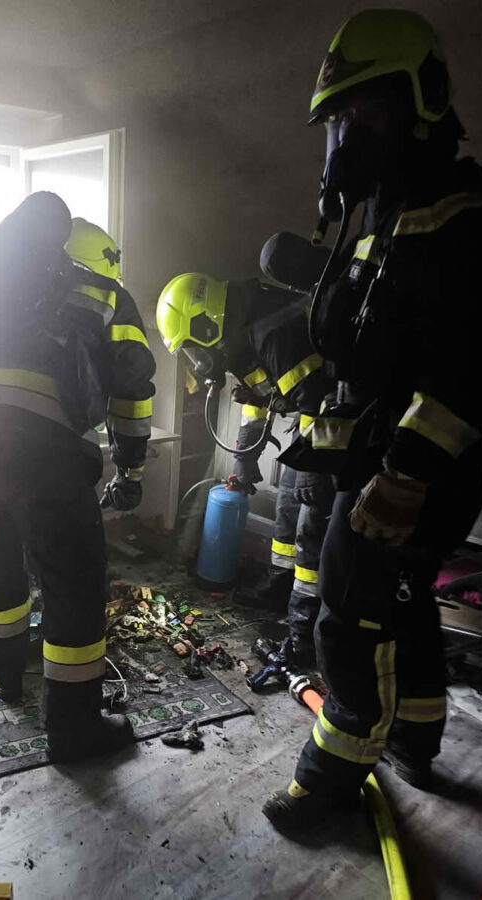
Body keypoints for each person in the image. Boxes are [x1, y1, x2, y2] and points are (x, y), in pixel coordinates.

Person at [262, 9, 482, 830]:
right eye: (337, 120)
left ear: (423, 102)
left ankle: (331, 781)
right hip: (377, 466)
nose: (346, 136)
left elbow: (477, 366)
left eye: (364, 114)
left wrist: (405, 476)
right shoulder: (383, 221)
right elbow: (368, 358)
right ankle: (419, 737)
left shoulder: (460, 215)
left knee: (349, 619)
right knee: (403, 607)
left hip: (415, 476)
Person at [0, 194, 156, 763]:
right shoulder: (104, 293)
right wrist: (131, 466)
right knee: (73, 580)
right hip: (39, 434)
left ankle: (8, 677)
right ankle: (74, 732)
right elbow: (132, 390)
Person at [156, 263, 335, 664]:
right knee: (289, 506)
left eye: (191, 345)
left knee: (311, 523)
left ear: (206, 324)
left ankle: (304, 633)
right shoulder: (241, 333)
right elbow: (259, 400)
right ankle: (279, 587)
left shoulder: (270, 330)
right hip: (314, 423)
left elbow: (315, 397)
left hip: (334, 426)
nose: (195, 357)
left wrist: (314, 465)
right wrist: (244, 458)